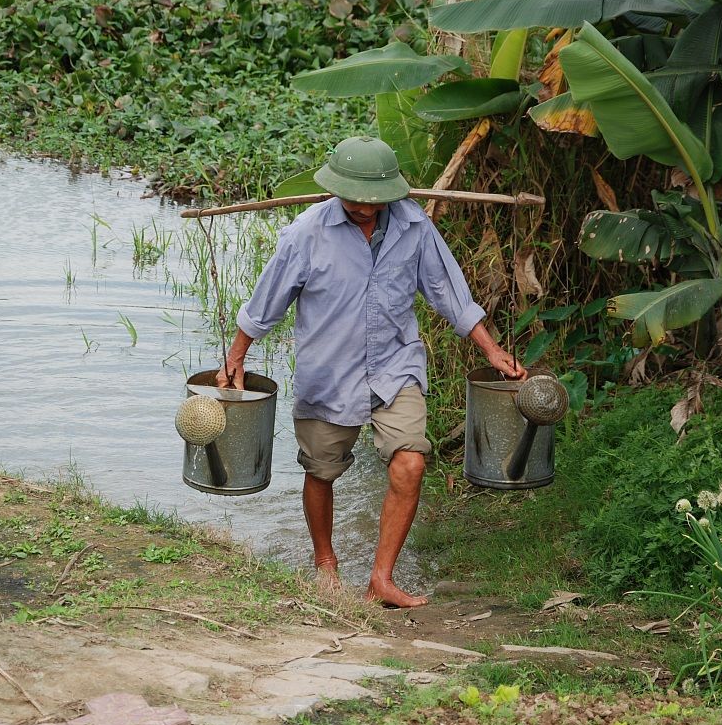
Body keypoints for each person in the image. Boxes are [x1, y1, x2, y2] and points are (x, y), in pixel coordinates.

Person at [217, 135, 525, 608]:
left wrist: (492, 350)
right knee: (322, 471)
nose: (363, 206)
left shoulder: (414, 227)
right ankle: (326, 563)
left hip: (394, 365)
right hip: (329, 370)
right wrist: (236, 355)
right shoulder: (307, 232)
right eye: (353, 197)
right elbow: (266, 301)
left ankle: (381, 578)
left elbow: (450, 293)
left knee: (411, 462)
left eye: (373, 199)